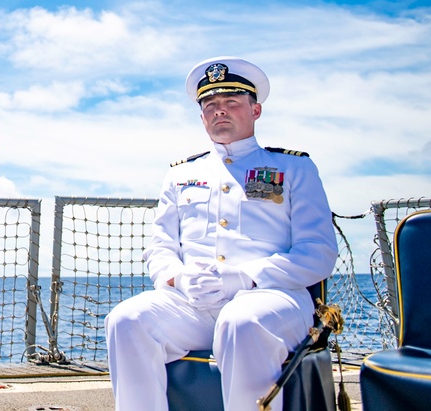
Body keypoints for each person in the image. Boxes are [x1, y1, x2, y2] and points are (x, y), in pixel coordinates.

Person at [104, 56, 337, 411]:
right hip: (196, 304)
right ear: (202, 116)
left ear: (255, 110)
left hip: (274, 298)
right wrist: (178, 279)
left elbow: (318, 251)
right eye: (210, 105)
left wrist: (244, 278)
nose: (219, 111)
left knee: (241, 321)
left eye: (231, 102)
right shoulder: (180, 174)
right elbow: (160, 249)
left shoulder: (293, 167)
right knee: (127, 320)